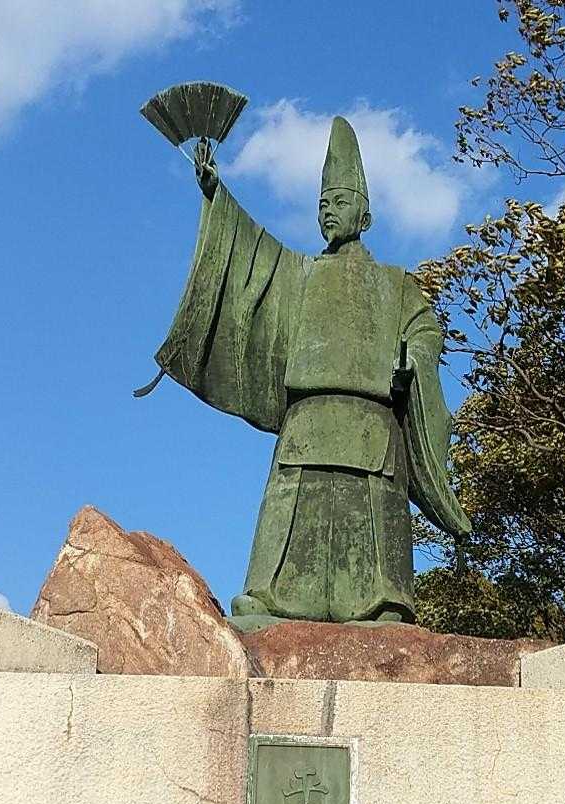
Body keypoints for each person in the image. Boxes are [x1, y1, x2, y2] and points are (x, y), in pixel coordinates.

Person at [151, 116, 470, 629]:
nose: (328, 211)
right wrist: (216, 193)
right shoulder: (299, 274)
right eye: (323, 204)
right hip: (307, 419)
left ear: (365, 215)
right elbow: (251, 254)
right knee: (291, 508)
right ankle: (274, 596)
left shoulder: (396, 285)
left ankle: (380, 601)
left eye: (339, 202)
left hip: (371, 423)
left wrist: (415, 355)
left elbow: (425, 331)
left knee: (371, 518)